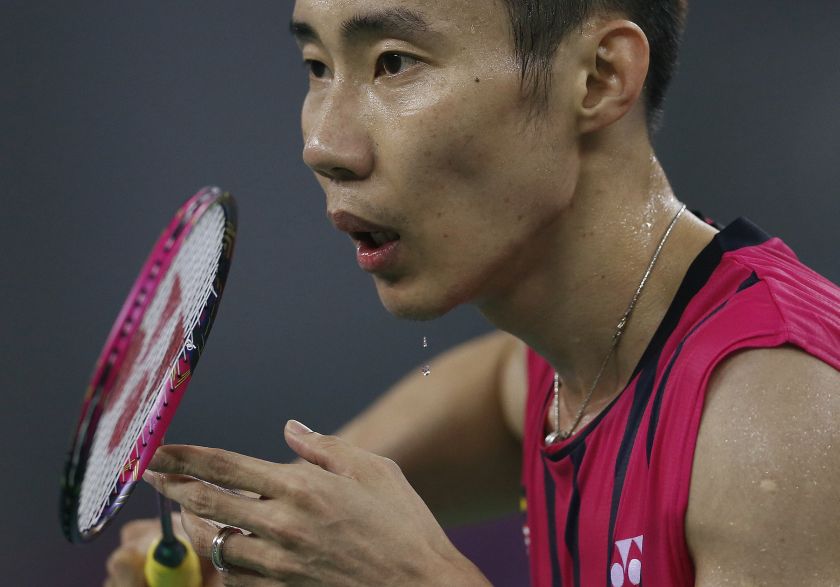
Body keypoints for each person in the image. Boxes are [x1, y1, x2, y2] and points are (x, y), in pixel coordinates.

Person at [104, 0, 840, 585]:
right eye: (317, 64)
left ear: (598, 78)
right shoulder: (581, 358)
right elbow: (499, 387)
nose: (324, 144)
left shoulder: (777, 423)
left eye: (393, 63)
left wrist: (413, 579)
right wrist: (280, 529)